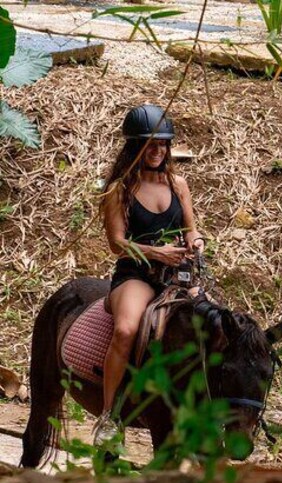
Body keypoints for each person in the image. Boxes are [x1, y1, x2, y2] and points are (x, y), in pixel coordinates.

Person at [96, 104, 204, 446]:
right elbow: (116, 244)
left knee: (215, 327)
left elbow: (191, 230)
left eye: (163, 144)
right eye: (150, 144)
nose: (158, 150)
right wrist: (157, 252)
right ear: (134, 147)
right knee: (127, 329)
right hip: (136, 275)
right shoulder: (118, 190)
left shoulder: (178, 184)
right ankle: (109, 416)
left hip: (176, 275)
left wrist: (196, 244)